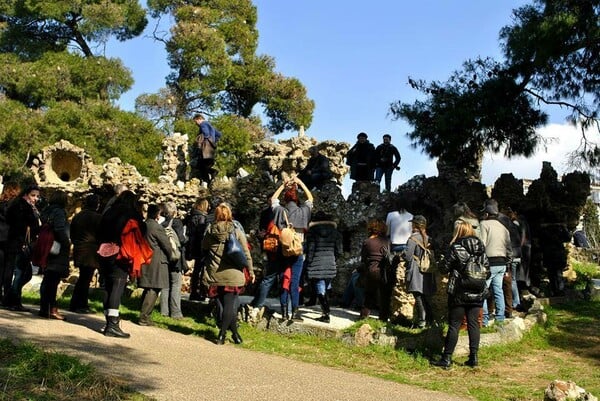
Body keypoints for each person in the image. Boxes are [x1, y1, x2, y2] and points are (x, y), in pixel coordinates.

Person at [432, 221, 490, 369]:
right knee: (473, 324)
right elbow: (487, 270)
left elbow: (445, 268)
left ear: (458, 232)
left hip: (459, 291)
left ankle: (446, 358)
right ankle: (473, 358)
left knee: (455, 325)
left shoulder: (456, 247)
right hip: (477, 291)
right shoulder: (481, 248)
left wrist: (440, 262)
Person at [97, 190, 151, 338]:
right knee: (117, 286)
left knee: (108, 286)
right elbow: (142, 231)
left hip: (103, 251)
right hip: (120, 253)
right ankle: (112, 325)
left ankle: (109, 320)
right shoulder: (132, 214)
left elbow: (99, 230)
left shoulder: (108, 212)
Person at [202, 203, 255, 345]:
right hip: (233, 274)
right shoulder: (236, 231)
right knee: (229, 307)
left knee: (223, 305)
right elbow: (245, 252)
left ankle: (236, 335)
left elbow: (204, 247)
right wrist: (250, 270)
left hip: (215, 273)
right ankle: (222, 335)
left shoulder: (210, 231)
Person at [271, 175, 313, 321]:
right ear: (297, 199)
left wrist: (283, 185)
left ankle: (283, 311)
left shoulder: (279, 211)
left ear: (286, 199)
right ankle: (294, 312)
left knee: (284, 280)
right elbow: (310, 199)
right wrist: (300, 182)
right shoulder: (304, 211)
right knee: (295, 281)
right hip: (297, 251)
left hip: (283, 251)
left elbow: (273, 200)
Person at [3, 184, 41, 311]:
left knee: (24, 273)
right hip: (19, 244)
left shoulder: (28, 206)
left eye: (37, 196)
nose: (35, 198)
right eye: (33, 195)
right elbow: (23, 225)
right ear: (26, 194)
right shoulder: (21, 206)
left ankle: (11, 298)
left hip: (20, 244)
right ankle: (12, 299)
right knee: (21, 273)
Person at [138, 204, 174, 326]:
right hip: (157, 260)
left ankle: (143, 313)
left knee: (149, 287)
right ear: (157, 214)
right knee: (153, 288)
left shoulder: (144, 225)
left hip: (145, 258)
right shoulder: (156, 227)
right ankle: (144, 317)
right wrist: (171, 256)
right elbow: (166, 245)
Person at [304, 211, 343, 323]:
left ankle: (326, 314)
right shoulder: (336, 233)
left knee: (320, 288)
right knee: (325, 286)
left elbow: (310, 250)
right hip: (330, 262)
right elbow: (339, 251)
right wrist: (334, 259)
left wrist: (309, 263)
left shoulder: (312, 232)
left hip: (316, 262)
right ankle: (326, 311)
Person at [38, 190, 71, 320]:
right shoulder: (59, 212)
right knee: (52, 280)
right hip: (56, 248)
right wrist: (66, 243)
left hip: (47, 247)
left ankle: (44, 307)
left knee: (47, 279)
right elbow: (59, 229)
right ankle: (51, 308)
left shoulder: (46, 210)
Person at [479, 199, 512, 327]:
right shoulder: (503, 228)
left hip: (489, 262)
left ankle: (485, 320)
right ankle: (500, 319)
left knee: (483, 291)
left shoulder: (484, 224)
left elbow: (482, 244)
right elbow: (508, 248)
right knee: (498, 290)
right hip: (502, 263)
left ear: (486, 213)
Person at [69, 194, 102, 314]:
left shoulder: (78, 216)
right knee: (85, 279)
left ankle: (75, 303)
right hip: (91, 251)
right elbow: (101, 235)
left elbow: (72, 233)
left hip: (79, 248)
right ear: (96, 205)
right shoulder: (97, 218)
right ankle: (81, 305)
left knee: (83, 278)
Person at [404, 215, 437, 328]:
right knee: (426, 296)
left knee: (418, 296)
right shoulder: (429, 238)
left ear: (415, 225)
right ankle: (431, 320)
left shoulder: (413, 239)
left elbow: (408, 257)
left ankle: (422, 321)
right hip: (427, 271)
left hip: (416, 270)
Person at [159, 201, 186, 319]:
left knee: (165, 285)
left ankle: (164, 311)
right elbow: (182, 239)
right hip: (175, 258)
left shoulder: (162, 224)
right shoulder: (177, 223)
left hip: (164, 256)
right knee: (175, 284)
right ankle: (175, 312)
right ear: (175, 211)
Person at [359, 219, 390, 319]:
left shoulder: (367, 242)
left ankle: (364, 316)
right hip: (385, 271)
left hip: (372, 270)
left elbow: (363, 258)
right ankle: (383, 317)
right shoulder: (387, 241)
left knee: (369, 294)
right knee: (384, 295)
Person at [185, 198, 211, 301]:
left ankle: (193, 291)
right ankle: (200, 292)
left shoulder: (191, 216)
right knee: (201, 270)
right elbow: (202, 234)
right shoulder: (203, 218)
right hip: (200, 246)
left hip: (192, 245)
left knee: (196, 270)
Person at [0, 182, 21, 303]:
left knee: (0, 268)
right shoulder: (16, 205)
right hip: (11, 239)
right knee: (9, 269)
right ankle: (7, 295)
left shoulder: (0, 203)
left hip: (0, 238)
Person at [191, 113, 222, 184]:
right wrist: (213, 141)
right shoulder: (210, 125)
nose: (196, 124)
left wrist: (202, 140)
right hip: (211, 149)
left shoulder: (203, 124)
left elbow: (206, 134)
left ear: (199, 119)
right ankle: (209, 180)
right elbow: (219, 134)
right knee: (205, 165)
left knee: (200, 165)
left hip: (205, 149)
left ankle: (211, 175)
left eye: (196, 122)